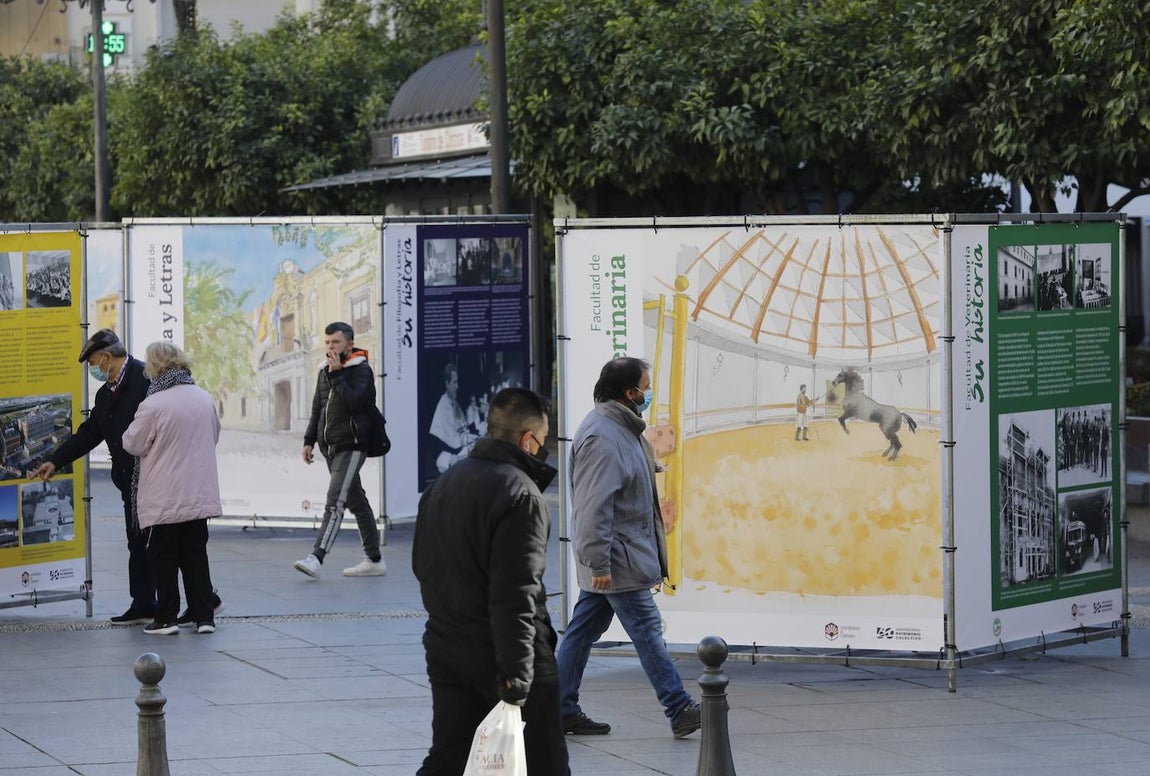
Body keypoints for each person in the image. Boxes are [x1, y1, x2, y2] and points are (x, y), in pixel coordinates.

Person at [413, 387, 568, 776]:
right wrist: (519, 674)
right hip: (505, 656)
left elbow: (422, 565)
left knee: (448, 757)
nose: (543, 447)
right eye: (543, 439)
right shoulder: (521, 495)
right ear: (527, 439)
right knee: (546, 762)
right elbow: (516, 593)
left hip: (446, 644)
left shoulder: (443, 484)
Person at [32, 328, 222, 626]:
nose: (93, 369)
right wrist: (55, 460)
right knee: (139, 544)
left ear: (107, 356)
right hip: (130, 482)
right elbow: (90, 433)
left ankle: (201, 603)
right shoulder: (105, 393)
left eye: (94, 362)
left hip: (159, 483)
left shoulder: (147, 379)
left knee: (173, 548)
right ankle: (145, 602)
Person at [557, 356, 701, 739]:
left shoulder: (620, 427)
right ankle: (679, 707)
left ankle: (558, 708)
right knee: (647, 629)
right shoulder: (603, 438)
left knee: (582, 631)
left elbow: (624, 467)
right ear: (628, 392)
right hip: (617, 560)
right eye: (645, 387)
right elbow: (593, 508)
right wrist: (598, 563)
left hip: (618, 555)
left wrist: (649, 466)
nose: (648, 393)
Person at [121, 342, 222, 635]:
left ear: (154, 367)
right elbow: (214, 435)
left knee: (163, 558)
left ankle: (166, 617)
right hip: (198, 493)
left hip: (164, 496)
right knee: (195, 555)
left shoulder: (154, 404)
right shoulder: (203, 397)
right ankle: (204, 617)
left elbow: (132, 443)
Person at [294, 322, 386, 579]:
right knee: (356, 500)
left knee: (335, 502)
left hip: (353, 445)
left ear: (350, 343)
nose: (330, 347)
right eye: (327, 342)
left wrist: (337, 375)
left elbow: (356, 402)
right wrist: (309, 440)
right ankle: (374, 559)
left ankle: (317, 557)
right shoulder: (324, 371)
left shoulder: (361, 370)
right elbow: (317, 409)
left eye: (335, 342)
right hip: (330, 447)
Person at [427, 363, 475, 474]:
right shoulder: (442, 407)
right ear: (447, 384)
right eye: (454, 382)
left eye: (457, 382)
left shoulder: (455, 403)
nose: (457, 387)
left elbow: (462, 428)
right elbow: (437, 442)